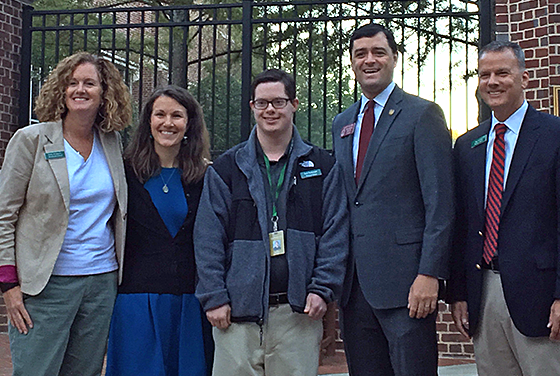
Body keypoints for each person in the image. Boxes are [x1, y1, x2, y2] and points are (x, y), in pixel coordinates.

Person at [194, 68, 349, 376]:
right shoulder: (226, 168)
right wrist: (214, 297)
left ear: (294, 104)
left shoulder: (322, 167)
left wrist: (322, 288)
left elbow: (336, 234)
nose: (270, 110)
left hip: (298, 315)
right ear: (252, 107)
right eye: (262, 103)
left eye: (278, 102)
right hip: (235, 315)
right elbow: (208, 237)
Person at [331, 23, 454, 376]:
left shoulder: (422, 115)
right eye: (360, 54)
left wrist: (430, 273)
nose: (369, 60)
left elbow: (440, 202)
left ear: (394, 59)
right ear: (352, 63)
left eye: (378, 52)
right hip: (355, 289)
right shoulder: (342, 123)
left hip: (407, 288)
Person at [0, 52, 131, 375]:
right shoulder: (31, 140)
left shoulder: (112, 143)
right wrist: (8, 285)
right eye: (72, 83)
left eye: (89, 83)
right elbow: (4, 215)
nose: (80, 89)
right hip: (45, 285)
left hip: (101, 282)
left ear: (105, 93)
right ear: (61, 89)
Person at [447, 41, 560, 376]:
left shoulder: (553, 135)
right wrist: (459, 292)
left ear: (524, 78)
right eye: (485, 75)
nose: (492, 81)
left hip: (540, 296)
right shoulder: (468, 145)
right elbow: (463, 224)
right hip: (484, 296)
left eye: (502, 73)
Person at [106, 85, 213, 376]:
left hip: (189, 303)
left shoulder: (205, 177)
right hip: (135, 302)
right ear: (148, 122)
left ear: (189, 123)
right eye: (160, 114)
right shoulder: (123, 173)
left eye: (177, 115)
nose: (168, 123)